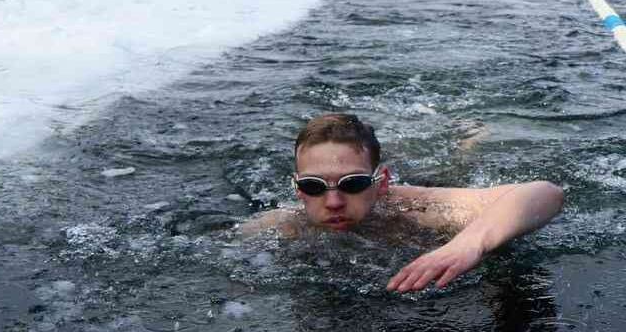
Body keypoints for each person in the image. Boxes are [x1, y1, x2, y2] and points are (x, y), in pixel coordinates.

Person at [242, 114, 565, 294]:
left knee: (453, 170)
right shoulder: (279, 226)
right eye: (314, 187)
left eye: (352, 184)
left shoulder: (418, 209)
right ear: (297, 188)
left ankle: (467, 138)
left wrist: (466, 244)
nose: (334, 202)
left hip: (427, 182)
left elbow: (545, 193)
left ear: (380, 183)